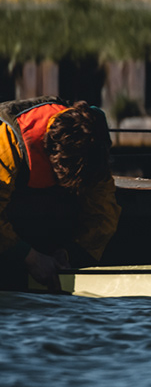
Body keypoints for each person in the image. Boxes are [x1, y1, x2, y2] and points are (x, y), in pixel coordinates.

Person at [0, 98, 120, 292]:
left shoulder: (92, 145)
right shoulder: (8, 141)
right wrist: (30, 257)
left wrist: (71, 255)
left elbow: (103, 217)